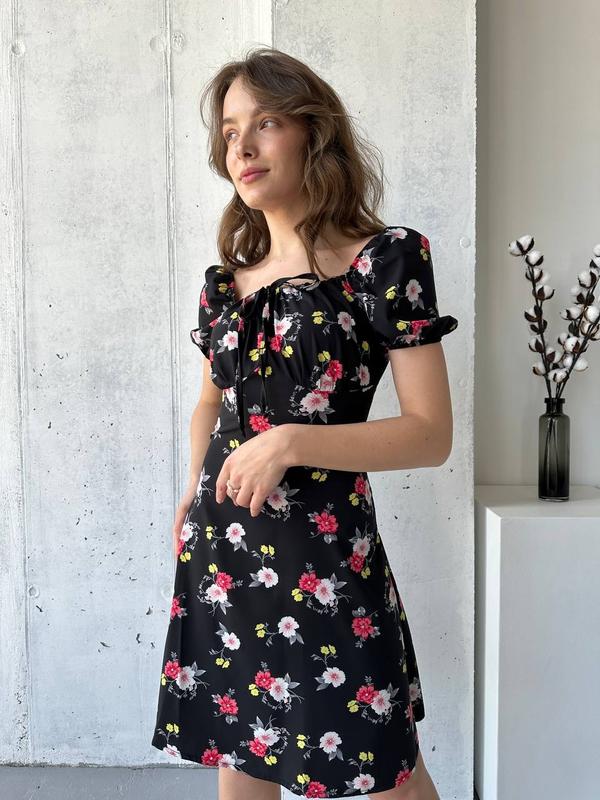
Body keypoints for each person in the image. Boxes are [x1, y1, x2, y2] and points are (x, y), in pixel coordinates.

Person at [151, 46, 458, 800]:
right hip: (225, 553)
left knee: (387, 772)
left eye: (265, 123)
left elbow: (430, 433)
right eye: (229, 132)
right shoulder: (226, 285)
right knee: (243, 755)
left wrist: (289, 443)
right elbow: (210, 403)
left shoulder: (383, 263)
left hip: (329, 563)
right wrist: (192, 489)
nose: (242, 148)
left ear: (312, 133)